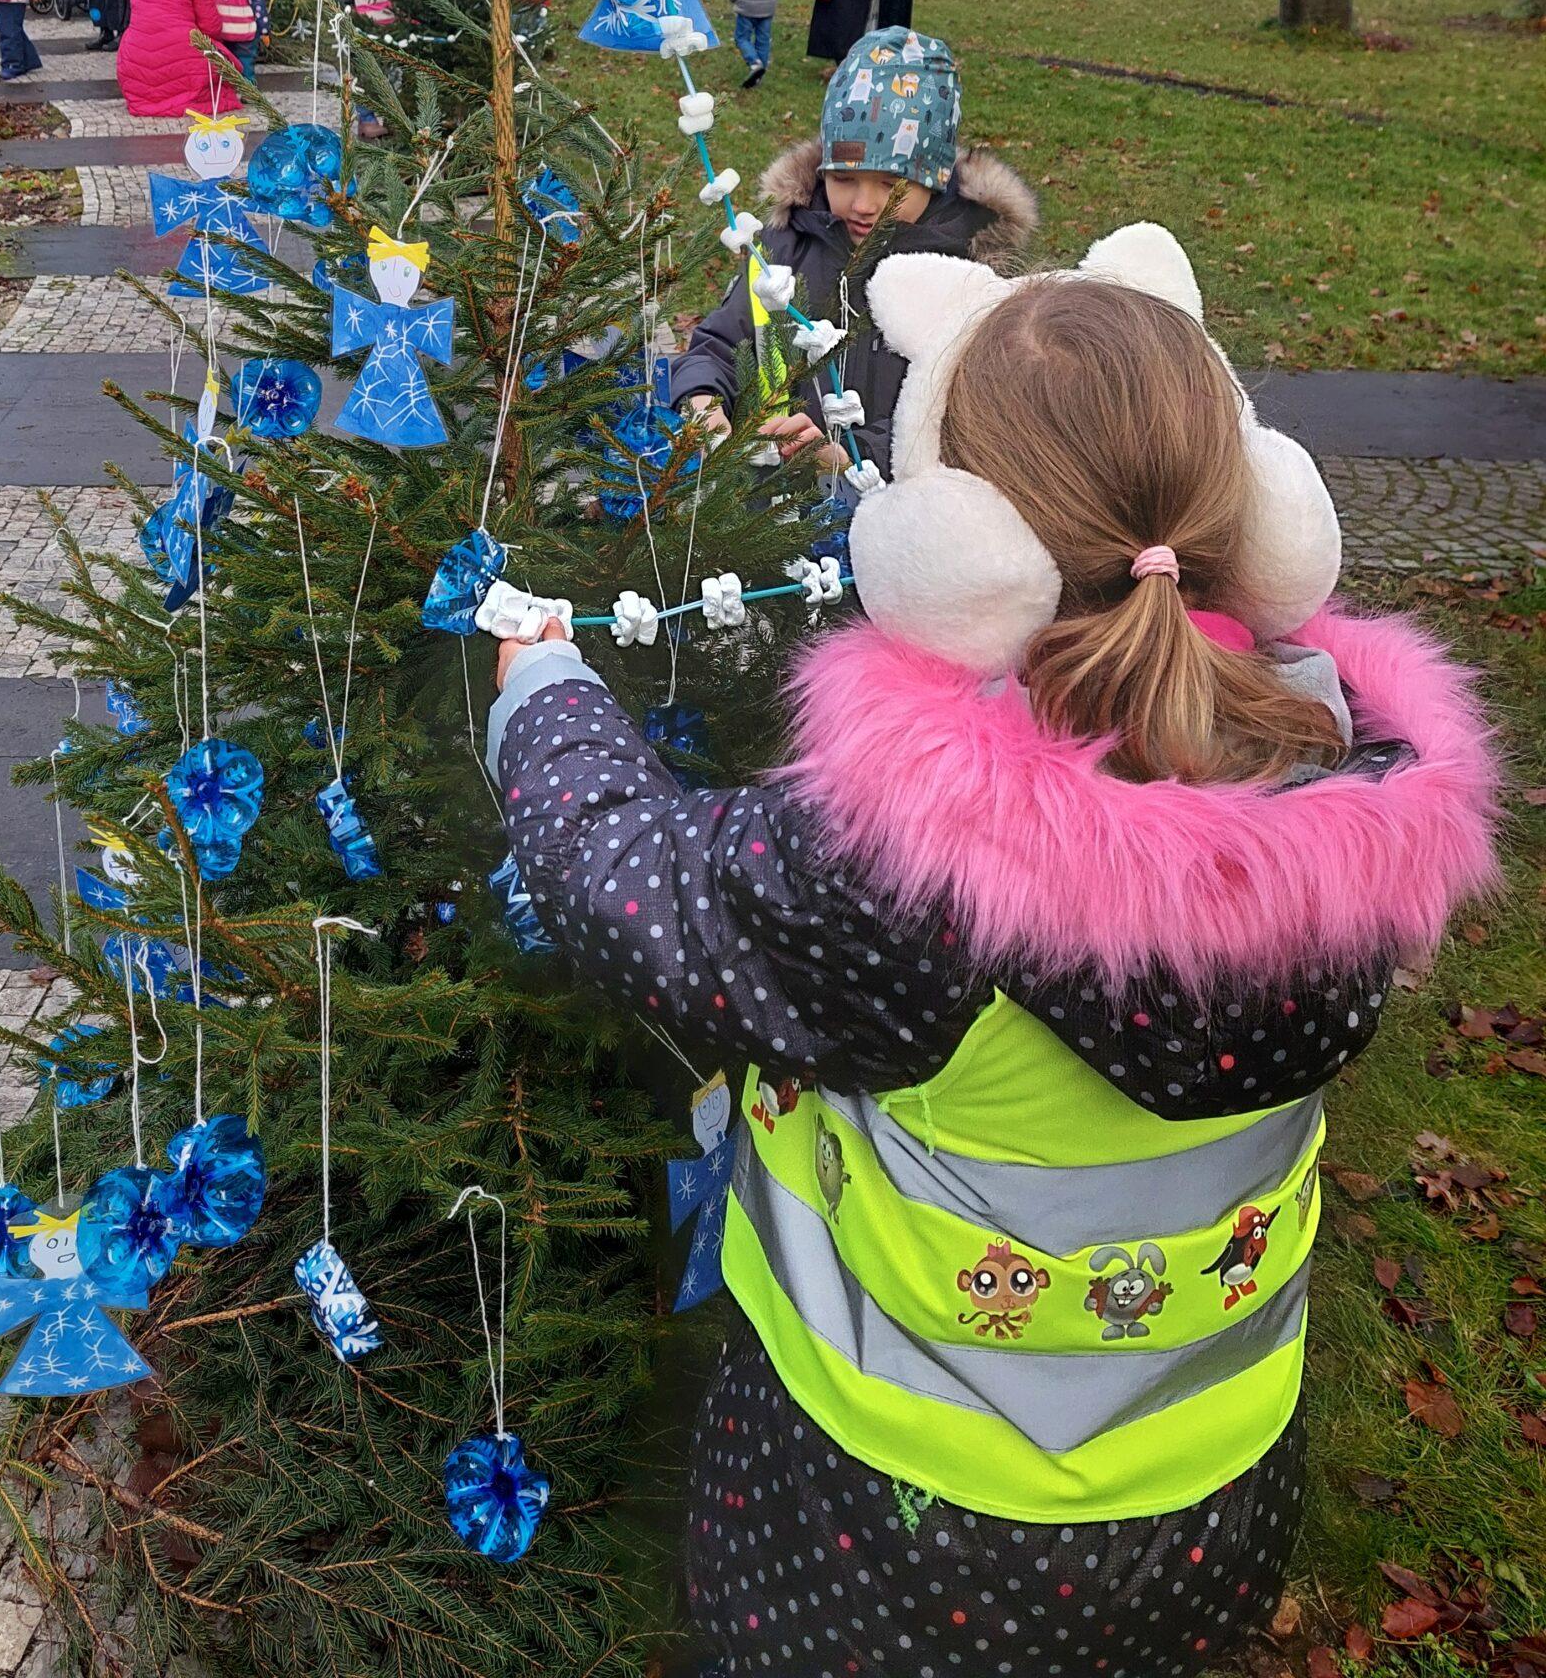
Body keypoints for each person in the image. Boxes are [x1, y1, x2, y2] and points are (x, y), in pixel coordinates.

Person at [488, 226, 1498, 1678]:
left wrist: (549, 701)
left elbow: (633, 886)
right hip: (1210, 1495)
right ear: (1252, 502)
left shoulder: (916, 872)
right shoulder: (1351, 781)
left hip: (886, 1517)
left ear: (956, 544)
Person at [670, 28, 1034, 480]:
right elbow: (721, 343)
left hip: (900, 517)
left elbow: (971, 425)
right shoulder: (787, 245)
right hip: (774, 510)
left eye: (890, 186)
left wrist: (853, 456)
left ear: (934, 181)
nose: (864, 205)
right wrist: (703, 399)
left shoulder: (968, 276)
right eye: (844, 179)